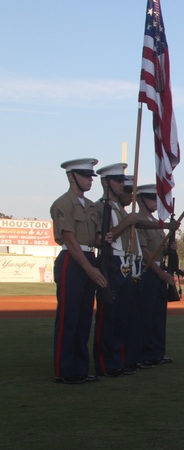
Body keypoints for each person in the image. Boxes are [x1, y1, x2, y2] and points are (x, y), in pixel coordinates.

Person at [51, 158, 108, 384]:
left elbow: (94, 238)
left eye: (91, 176)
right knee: (68, 317)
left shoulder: (92, 206)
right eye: (85, 176)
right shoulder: (62, 204)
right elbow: (70, 240)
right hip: (72, 260)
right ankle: (65, 371)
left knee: (85, 318)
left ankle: (80, 369)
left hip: (88, 256)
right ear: (71, 176)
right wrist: (90, 270)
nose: (89, 180)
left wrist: (104, 239)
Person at [90, 163, 144, 377]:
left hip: (124, 262)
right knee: (108, 317)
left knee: (122, 316)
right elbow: (105, 238)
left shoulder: (120, 209)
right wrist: (126, 223)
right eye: (118, 181)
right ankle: (105, 364)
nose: (122, 185)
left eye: (122, 181)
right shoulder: (101, 207)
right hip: (110, 261)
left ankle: (117, 361)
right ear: (106, 182)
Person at [135, 184, 178, 365]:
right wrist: (160, 273)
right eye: (152, 199)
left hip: (160, 271)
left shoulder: (156, 222)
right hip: (149, 271)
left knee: (159, 316)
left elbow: (159, 249)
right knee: (146, 316)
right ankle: (145, 354)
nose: (155, 202)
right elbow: (145, 252)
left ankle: (157, 353)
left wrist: (170, 249)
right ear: (141, 200)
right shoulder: (139, 221)